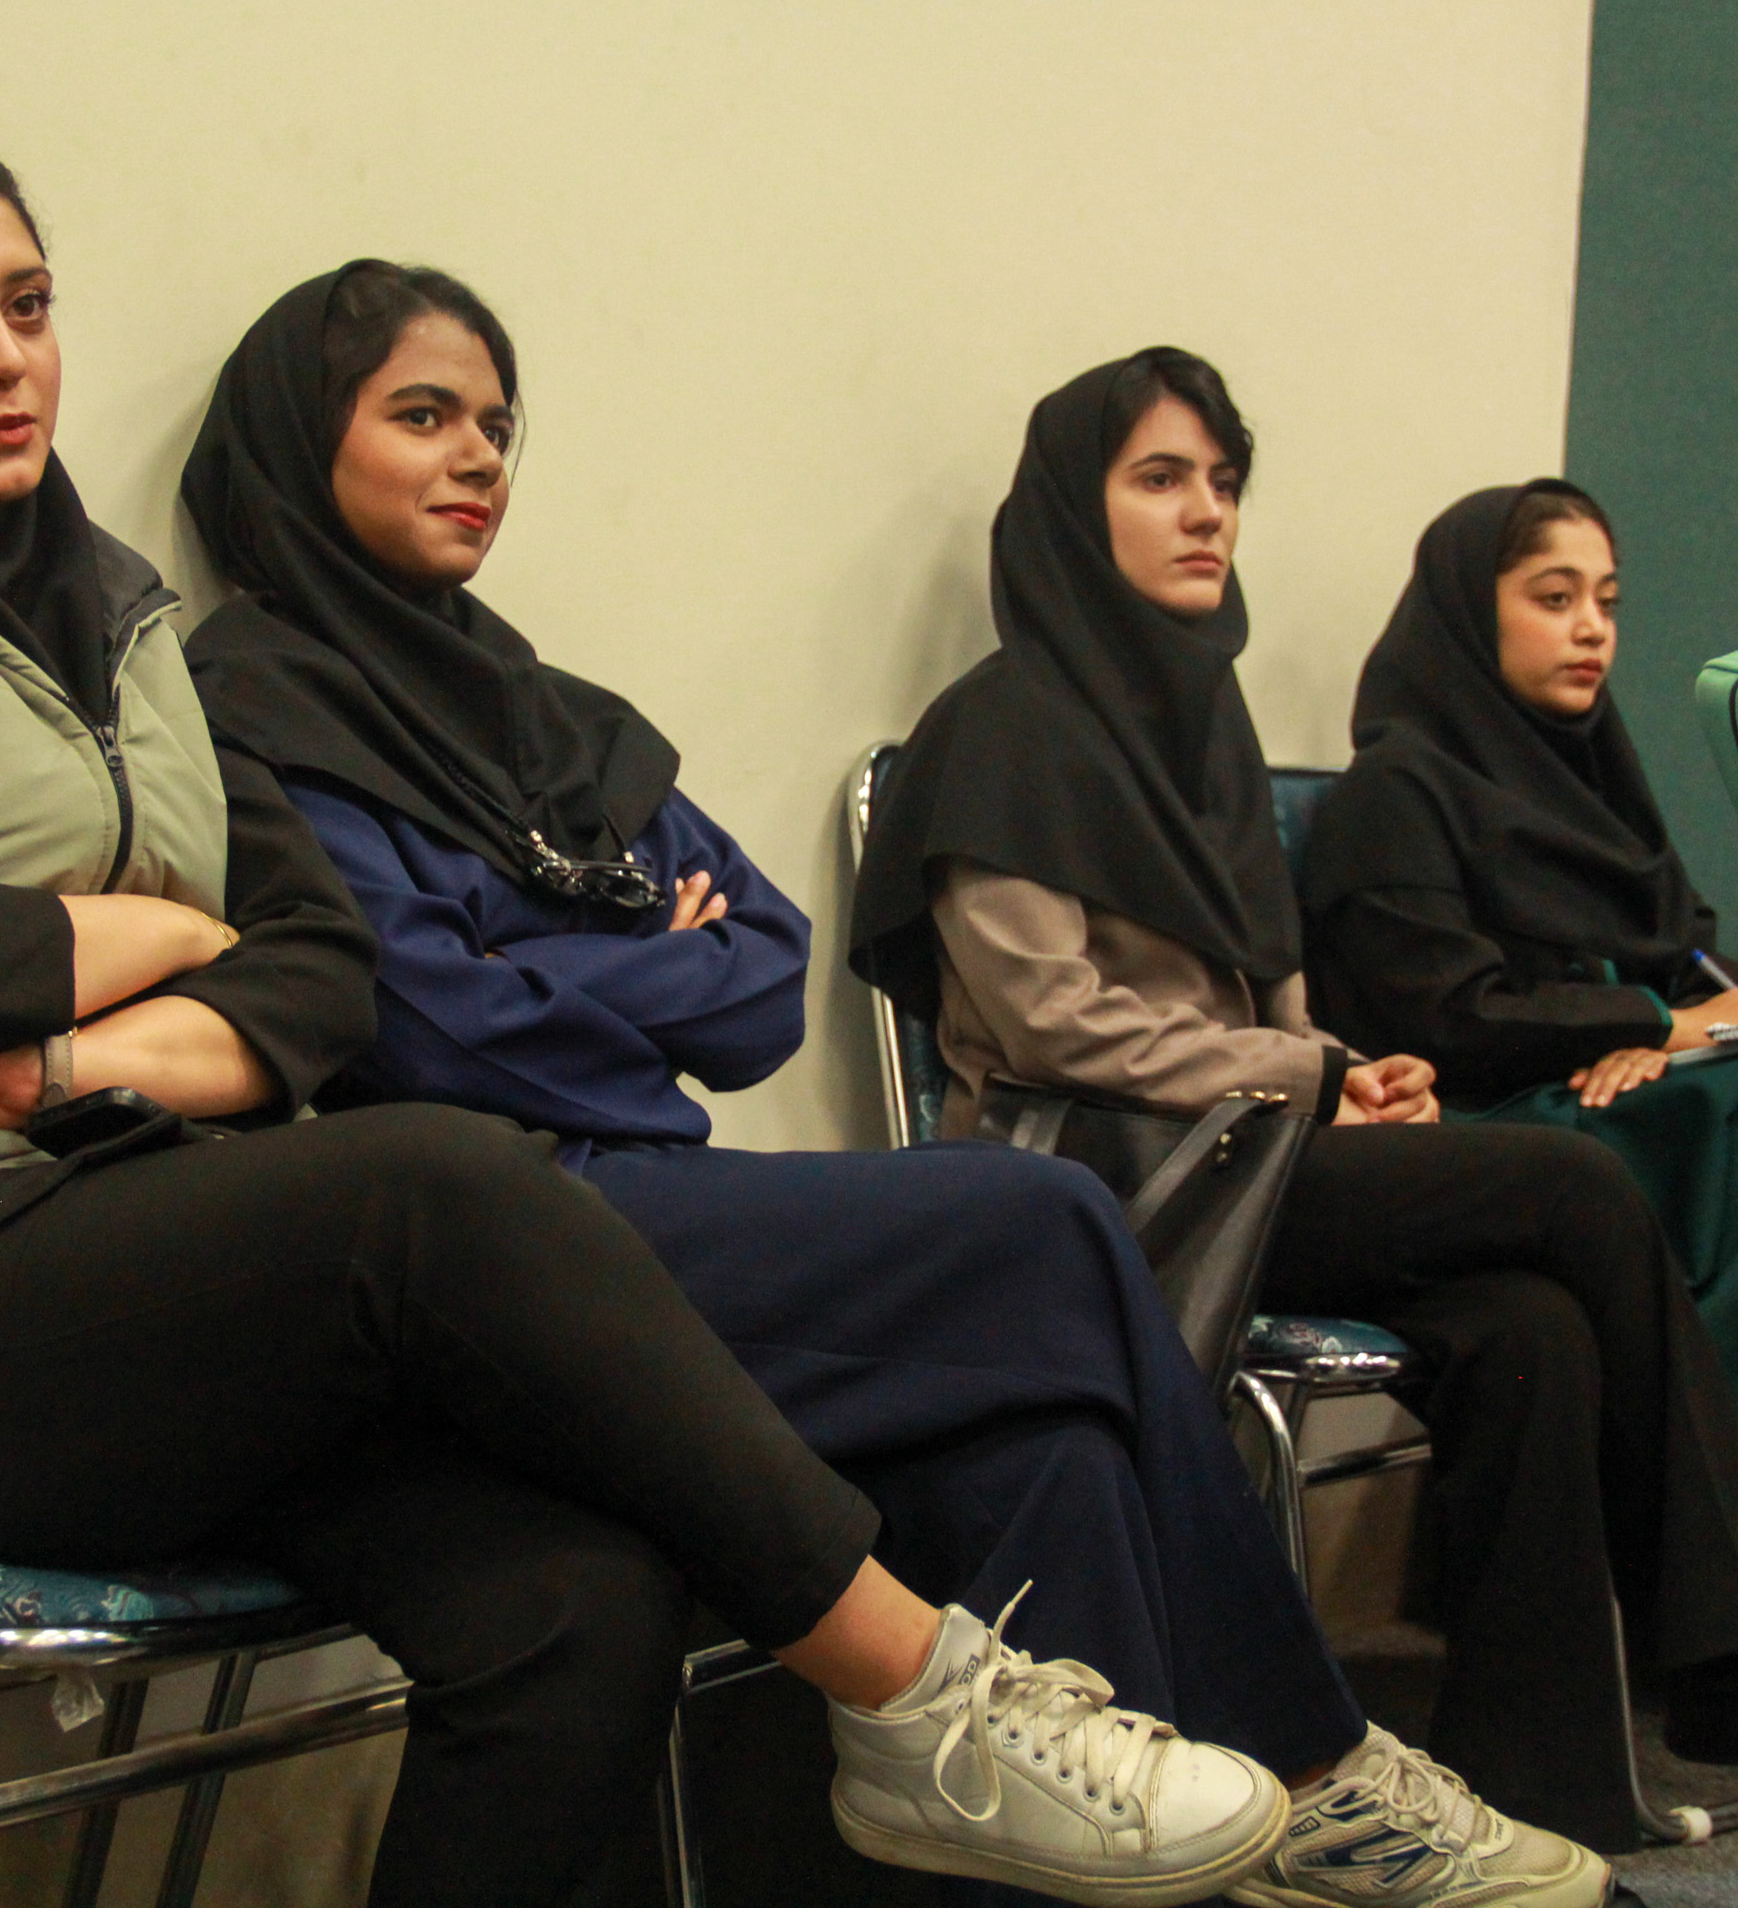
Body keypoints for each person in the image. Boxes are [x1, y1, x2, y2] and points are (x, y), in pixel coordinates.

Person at [0, 130, 1331, 1908]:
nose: (4, 357)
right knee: (437, 1181)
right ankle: (923, 1701)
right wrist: (171, 933)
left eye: (29, 303)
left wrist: (71, 1042)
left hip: (109, 1267)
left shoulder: (112, 629)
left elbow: (314, 969)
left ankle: (1232, 1777)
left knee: (581, 1604)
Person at [177, 261, 1608, 1908]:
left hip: (652, 1204)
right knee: (1043, 1218)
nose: (479, 457)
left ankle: (1201, 1851)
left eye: (498, 424)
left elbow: (760, 984)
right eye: (423, 416)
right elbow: (425, 1033)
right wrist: (634, 948)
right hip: (482, 1242)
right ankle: (1311, 1768)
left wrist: (550, 962)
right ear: (302, 441)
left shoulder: (548, 719)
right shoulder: (253, 708)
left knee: (1048, 1448)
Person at [847, 351, 1738, 1862]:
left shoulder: (1198, 726)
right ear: (1073, 506)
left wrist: (1348, 1074)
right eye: (1161, 479)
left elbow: (1271, 1003)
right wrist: (1306, 1076)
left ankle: (1546, 1788)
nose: (1208, 513)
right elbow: (1044, 1020)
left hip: (1251, 1153)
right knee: (1574, 1190)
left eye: (1223, 482)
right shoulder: (998, 728)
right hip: (1102, 1184)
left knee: (1533, 1324)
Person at [1293, 478, 1738, 1874]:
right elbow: (1445, 1015)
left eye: (1607, 602)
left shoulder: (1598, 782)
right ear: (1467, 610)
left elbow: (1696, 968)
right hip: (1500, 1139)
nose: (1591, 630)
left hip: (1633, 1117)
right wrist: (1651, 1027)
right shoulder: (1395, 791)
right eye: (1552, 597)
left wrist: (1688, 1026)